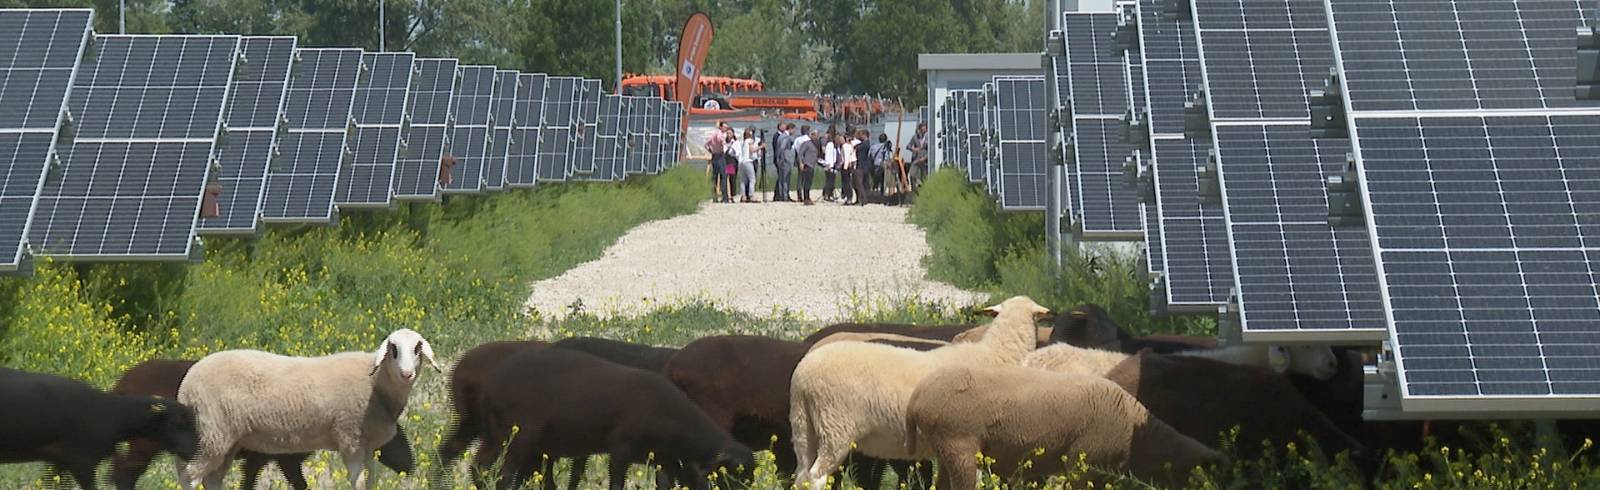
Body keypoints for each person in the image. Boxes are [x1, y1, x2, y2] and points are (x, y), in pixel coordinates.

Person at [735, 127, 761, 203]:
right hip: (748, 161)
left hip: (742, 162)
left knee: (743, 180)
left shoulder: (743, 142)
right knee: (752, 179)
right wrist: (760, 147)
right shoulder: (749, 141)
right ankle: (751, 195)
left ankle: (743, 196)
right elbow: (752, 150)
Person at [705, 123, 729, 203]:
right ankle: (725, 197)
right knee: (723, 176)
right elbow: (721, 142)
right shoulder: (720, 135)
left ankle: (714, 197)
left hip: (714, 156)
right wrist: (723, 148)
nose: (726, 128)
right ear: (721, 127)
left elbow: (706, 144)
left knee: (715, 177)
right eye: (725, 127)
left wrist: (711, 151)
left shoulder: (713, 134)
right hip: (721, 156)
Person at [794, 126, 817, 205]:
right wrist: (801, 163)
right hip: (807, 164)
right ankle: (806, 198)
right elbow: (800, 154)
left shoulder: (815, 144)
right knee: (806, 182)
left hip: (812, 165)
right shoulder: (806, 143)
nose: (816, 137)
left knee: (809, 182)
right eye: (814, 135)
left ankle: (808, 197)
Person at [773, 123, 795, 202]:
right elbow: (782, 148)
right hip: (785, 160)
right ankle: (785, 196)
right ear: (791, 129)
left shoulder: (780, 136)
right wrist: (782, 159)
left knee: (781, 179)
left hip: (780, 160)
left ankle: (782, 196)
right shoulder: (786, 137)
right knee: (785, 179)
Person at [850, 129, 871, 206]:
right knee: (860, 183)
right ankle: (860, 199)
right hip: (864, 166)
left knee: (859, 183)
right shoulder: (864, 144)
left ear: (864, 135)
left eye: (861, 134)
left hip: (861, 166)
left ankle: (863, 199)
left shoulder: (865, 144)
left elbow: (856, 148)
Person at [908, 122, 929, 190]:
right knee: (912, 174)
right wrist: (913, 149)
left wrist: (925, 157)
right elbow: (908, 146)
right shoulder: (915, 137)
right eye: (922, 130)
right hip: (917, 158)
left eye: (925, 131)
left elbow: (931, 149)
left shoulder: (928, 137)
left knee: (924, 177)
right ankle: (913, 190)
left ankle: (924, 190)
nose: (924, 133)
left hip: (925, 159)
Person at [721, 127, 739, 203]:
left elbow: (736, 153)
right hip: (725, 160)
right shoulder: (725, 142)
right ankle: (725, 195)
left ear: (733, 134)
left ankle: (732, 195)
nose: (728, 135)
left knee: (732, 178)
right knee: (724, 178)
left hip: (732, 161)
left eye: (730, 133)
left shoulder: (735, 142)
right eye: (727, 133)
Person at [820, 130, 839, 202]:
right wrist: (828, 165)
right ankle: (826, 195)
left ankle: (829, 194)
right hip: (829, 165)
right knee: (829, 181)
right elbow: (828, 156)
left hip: (832, 165)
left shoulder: (834, 145)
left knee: (831, 181)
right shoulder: (830, 145)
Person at [839, 131, 857, 204]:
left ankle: (848, 198)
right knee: (848, 182)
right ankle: (849, 197)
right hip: (851, 165)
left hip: (846, 166)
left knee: (846, 182)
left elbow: (846, 157)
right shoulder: (851, 145)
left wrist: (845, 167)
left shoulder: (845, 146)